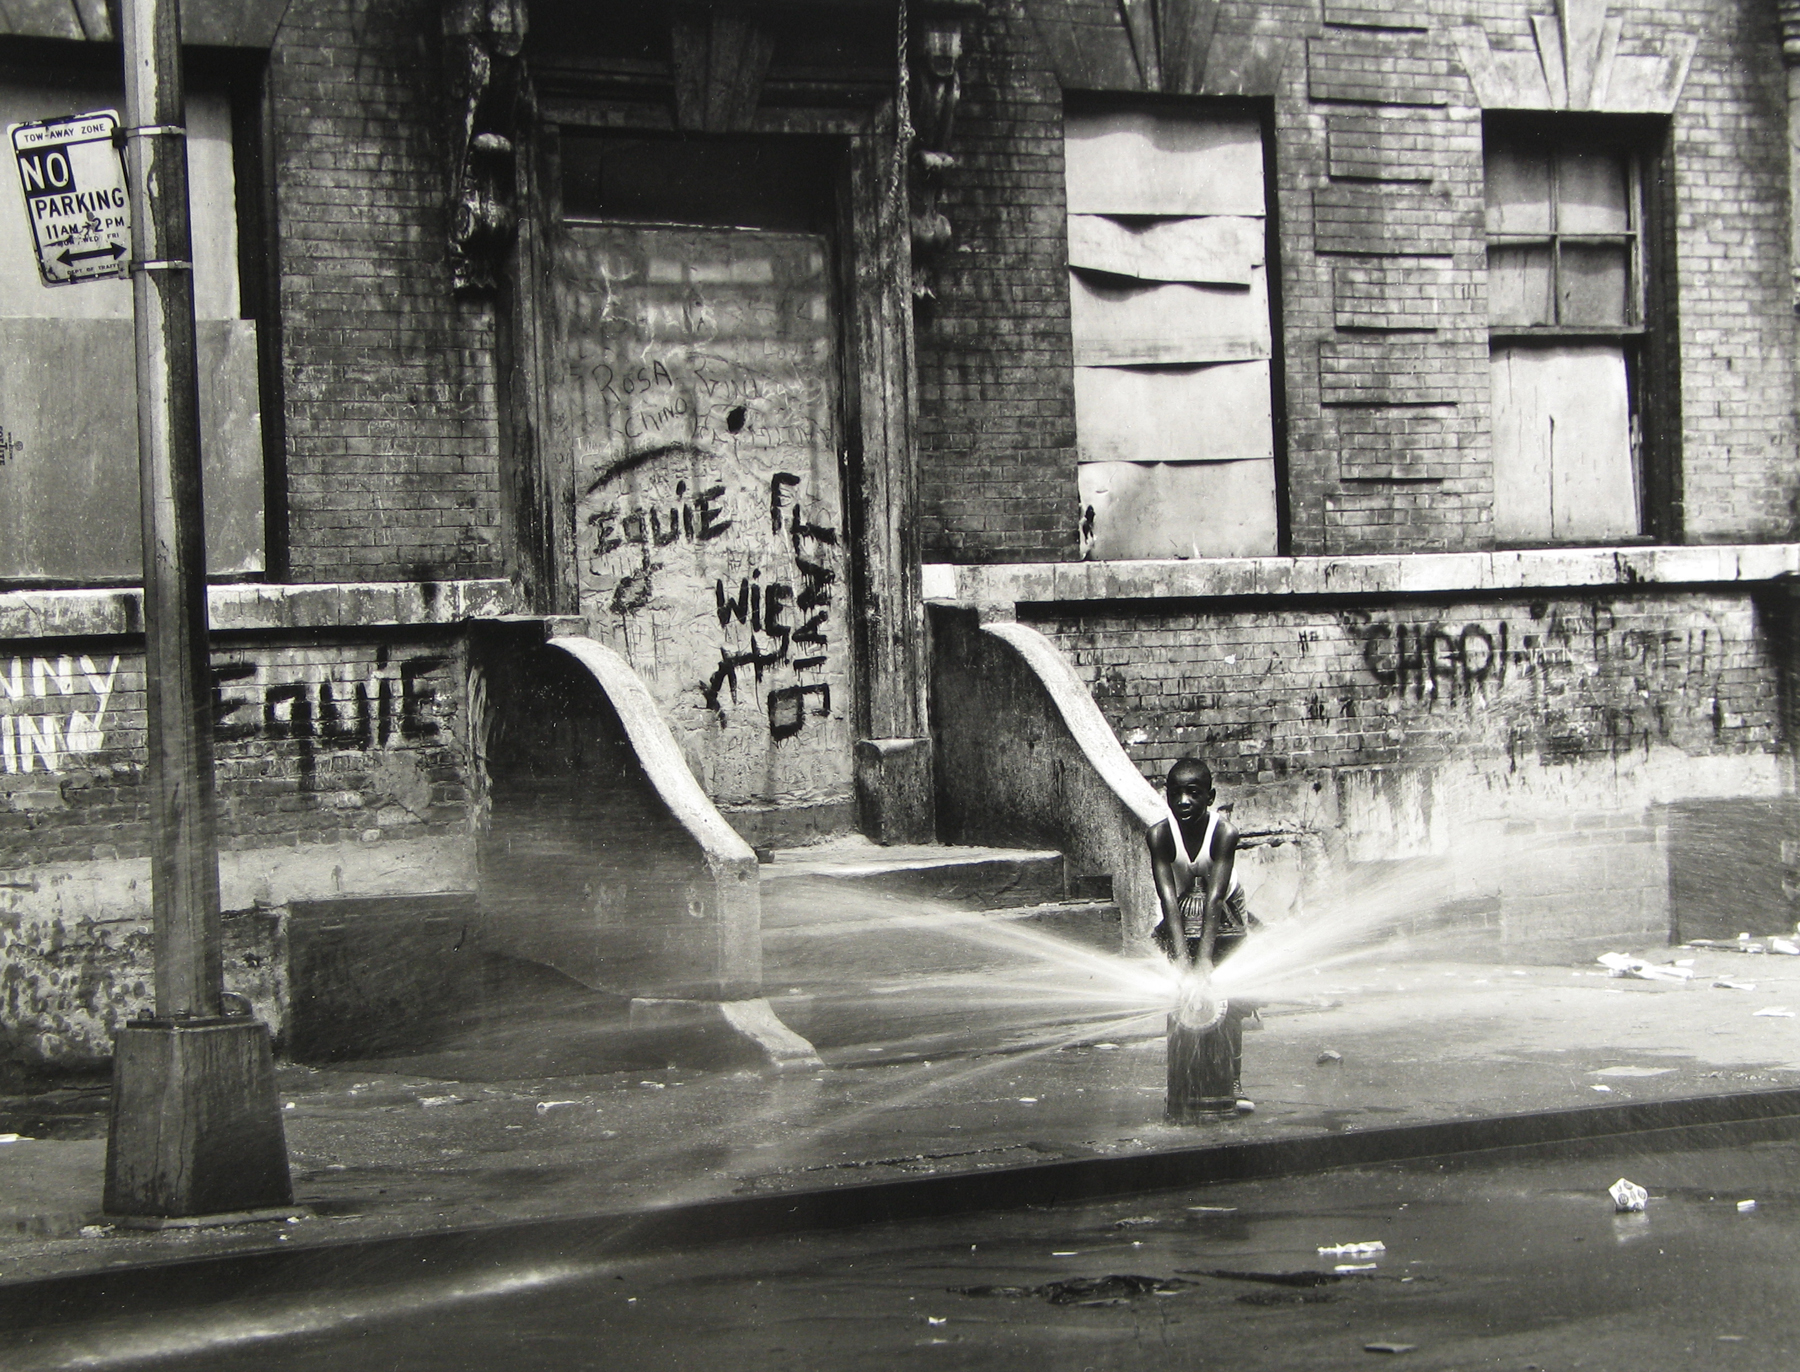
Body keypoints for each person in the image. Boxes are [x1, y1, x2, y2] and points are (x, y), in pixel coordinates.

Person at [1147, 757, 1257, 1108]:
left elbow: (1214, 899)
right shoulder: (1160, 835)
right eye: (1175, 793)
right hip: (1180, 910)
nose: (1183, 802)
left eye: (1193, 794)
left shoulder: (1225, 833)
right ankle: (1180, 1082)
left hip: (1224, 911)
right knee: (1179, 994)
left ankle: (1233, 1079)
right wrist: (1182, 962)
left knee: (1229, 997)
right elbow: (1167, 900)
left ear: (1209, 797)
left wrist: (1205, 963)